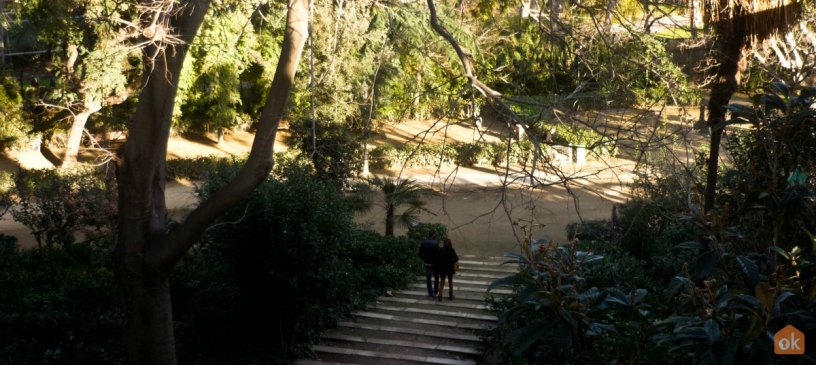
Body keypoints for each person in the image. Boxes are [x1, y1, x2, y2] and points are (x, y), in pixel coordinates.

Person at [418, 230, 440, 297]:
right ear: (434, 235)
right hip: (434, 263)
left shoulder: (424, 242)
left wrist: (424, 259)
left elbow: (420, 253)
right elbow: (437, 254)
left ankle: (430, 292)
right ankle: (436, 291)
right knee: (436, 277)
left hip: (427, 262)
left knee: (428, 278)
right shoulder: (435, 243)